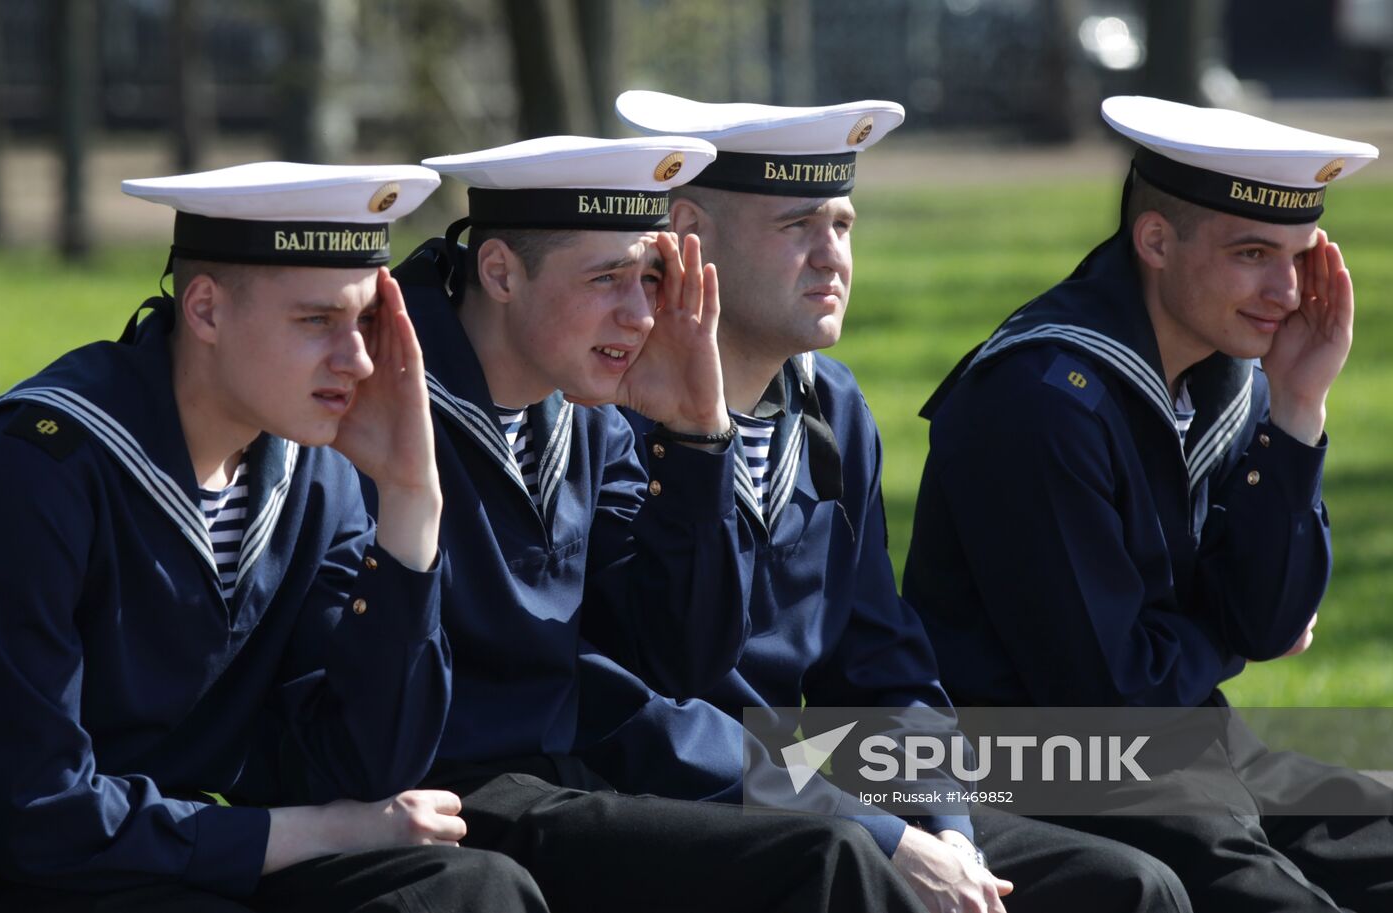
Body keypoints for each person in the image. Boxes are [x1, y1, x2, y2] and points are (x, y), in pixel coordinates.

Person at [573, 91, 1191, 913]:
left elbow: (883, 667)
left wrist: (947, 826)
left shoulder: (828, 406)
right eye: (798, 227)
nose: (832, 256)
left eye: (843, 225)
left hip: (812, 777)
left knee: (1130, 888)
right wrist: (887, 836)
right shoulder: (609, 413)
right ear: (689, 235)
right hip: (683, 798)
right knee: (853, 871)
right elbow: (639, 711)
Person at [382, 135, 924, 913]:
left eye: (647, 276)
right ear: (499, 271)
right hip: (503, 785)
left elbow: (694, 653)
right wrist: (861, 818)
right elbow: (638, 702)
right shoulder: (396, 401)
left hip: (791, 763)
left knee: (1136, 783)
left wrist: (698, 434)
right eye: (607, 278)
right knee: (834, 859)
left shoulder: (816, 405)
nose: (638, 314)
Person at [0, 162, 544, 913]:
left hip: (648, 765)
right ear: (207, 311)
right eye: (317, 321)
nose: (356, 361)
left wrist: (412, 501)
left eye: (365, 325)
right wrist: (308, 830)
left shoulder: (311, 466)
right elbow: (40, 815)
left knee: (478, 888)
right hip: (63, 873)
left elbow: (362, 763)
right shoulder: (42, 464)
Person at [904, 95, 1393, 911]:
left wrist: (1299, 408)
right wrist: (1227, 633)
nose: (1283, 291)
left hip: (1180, 736)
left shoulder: (1226, 369)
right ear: (1156, 241)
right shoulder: (1042, 399)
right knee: (1281, 899)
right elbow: (1111, 695)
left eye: (1297, 257)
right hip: (1036, 760)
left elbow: (1270, 616)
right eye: (1250, 253)